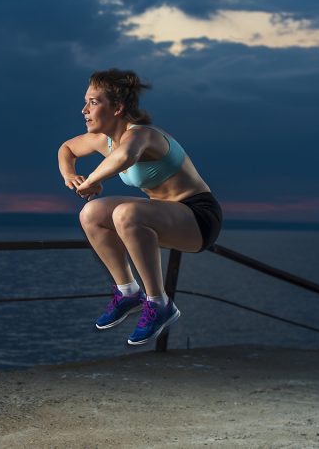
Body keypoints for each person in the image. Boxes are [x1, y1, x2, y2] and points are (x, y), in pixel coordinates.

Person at [57, 68, 222, 346]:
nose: (84, 109)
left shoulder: (142, 135)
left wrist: (93, 181)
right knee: (91, 213)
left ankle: (159, 303)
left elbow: (125, 156)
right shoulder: (102, 141)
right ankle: (128, 291)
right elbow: (66, 149)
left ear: (118, 107)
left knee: (126, 213)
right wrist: (70, 176)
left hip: (198, 217)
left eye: (94, 102)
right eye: (86, 101)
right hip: (161, 213)